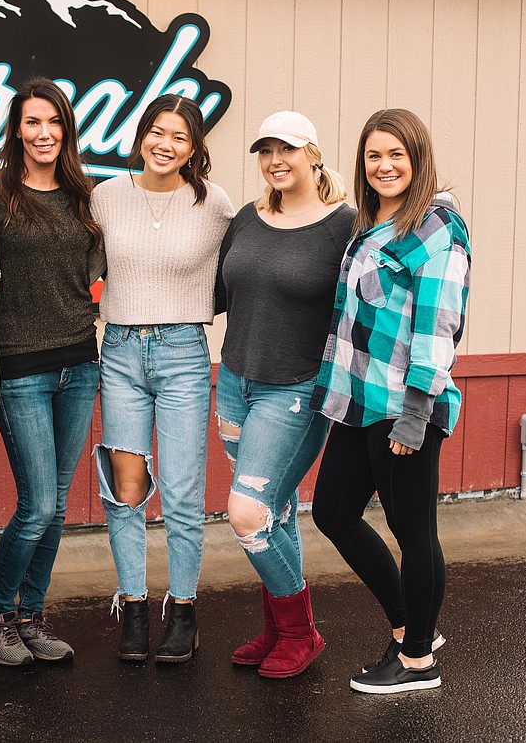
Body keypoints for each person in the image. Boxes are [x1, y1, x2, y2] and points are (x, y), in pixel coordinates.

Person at [310, 108, 471, 694]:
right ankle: (413, 624)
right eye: (374, 155)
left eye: (396, 155)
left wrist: (416, 412)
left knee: (413, 530)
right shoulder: (368, 222)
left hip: (404, 404)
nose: (384, 166)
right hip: (357, 398)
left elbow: (438, 323)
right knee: (333, 511)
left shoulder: (435, 228)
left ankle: (416, 662)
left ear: (418, 159)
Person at [92, 94, 234, 663]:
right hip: (120, 353)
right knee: (125, 493)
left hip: (182, 354)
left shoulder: (214, 204)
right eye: (157, 131)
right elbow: (83, 268)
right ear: (141, 135)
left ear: (194, 147)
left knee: (180, 492)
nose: (165, 144)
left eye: (178, 136)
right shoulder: (106, 197)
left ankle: (183, 610)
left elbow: (246, 265)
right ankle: (133, 606)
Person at [215, 111, 354, 679]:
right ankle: (276, 629)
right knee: (275, 511)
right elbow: (219, 289)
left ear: (314, 155)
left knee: (246, 512)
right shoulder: (247, 218)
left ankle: (301, 631)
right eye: (266, 150)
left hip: (295, 390)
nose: (276, 160)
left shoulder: (343, 225)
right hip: (233, 382)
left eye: (289, 149)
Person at [0, 77, 104, 665]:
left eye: (53, 121)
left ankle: (31, 615)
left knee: (53, 496)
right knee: (40, 506)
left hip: (80, 365)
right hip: (21, 368)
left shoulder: (85, 196)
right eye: (32, 122)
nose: (43, 133)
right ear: (16, 130)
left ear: (66, 128)